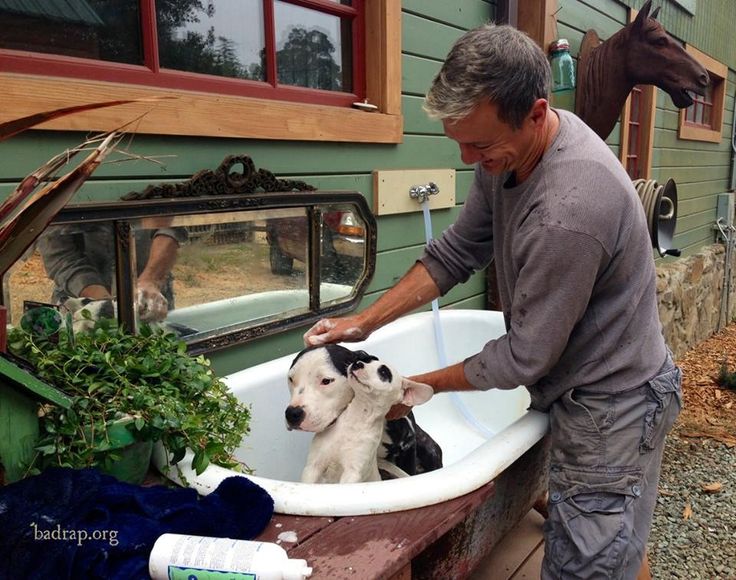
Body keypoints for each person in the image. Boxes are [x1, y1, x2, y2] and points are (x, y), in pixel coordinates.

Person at [303, 23, 681, 579]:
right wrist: (364, 322)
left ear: (534, 112)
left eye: (478, 144)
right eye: (459, 141)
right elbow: (457, 252)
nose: (467, 157)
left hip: (613, 404)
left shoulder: (569, 209)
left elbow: (525, 356)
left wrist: (411, 389)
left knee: (587, 566)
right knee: (615, 541)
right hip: (586, 381)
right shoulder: (515, 149)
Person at [37, 222, 185, 323]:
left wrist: (151, 280)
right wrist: (106, 307)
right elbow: (60, 254)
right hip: (80, 303)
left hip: (150, 298)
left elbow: (170, 226)